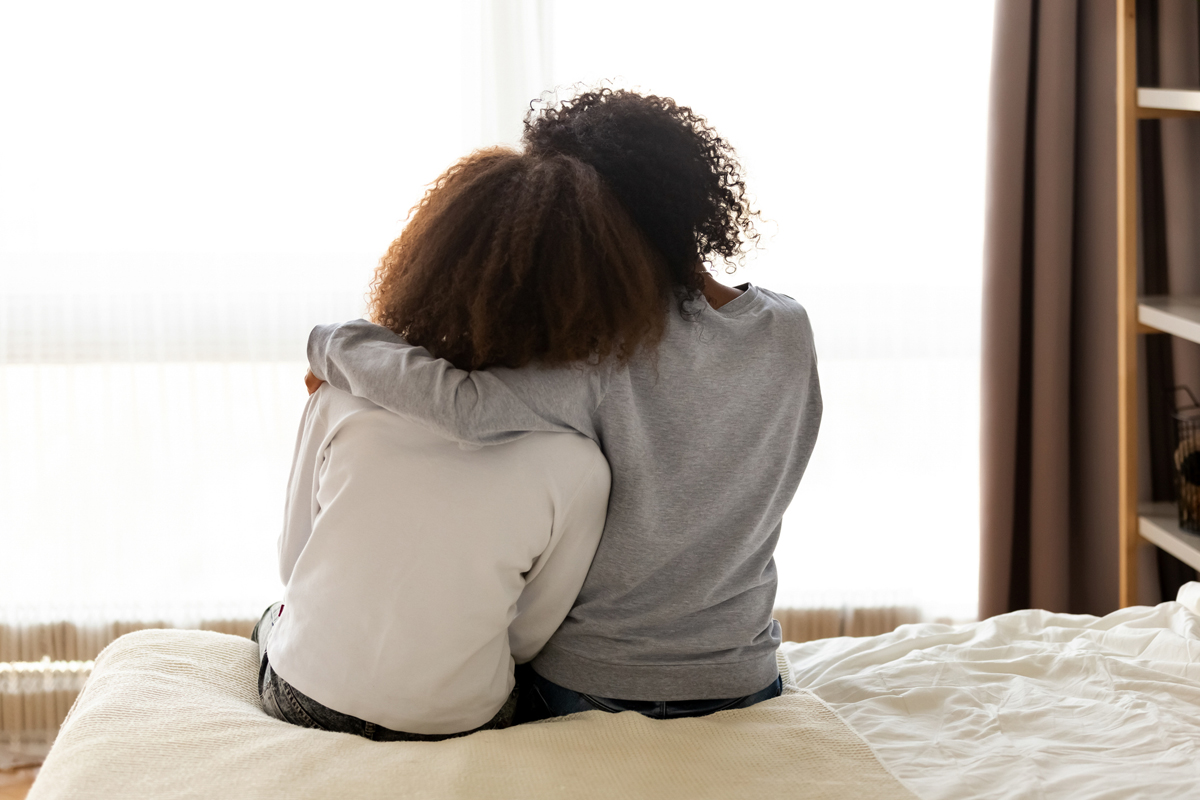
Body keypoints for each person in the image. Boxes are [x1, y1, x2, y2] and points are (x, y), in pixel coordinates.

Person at [306, 88, 823, 721]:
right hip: (745, 674)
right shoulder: (789, 329)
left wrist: (332, 343)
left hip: (596, 685)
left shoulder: (610, 354)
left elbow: (465, 405)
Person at [252, 146, 673, 740]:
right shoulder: (580, 465)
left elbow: (294, 563)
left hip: (305, 695)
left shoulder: (340, 399)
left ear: (431, 261)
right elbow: (527, 637)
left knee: (270, 620)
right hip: (456, 720)